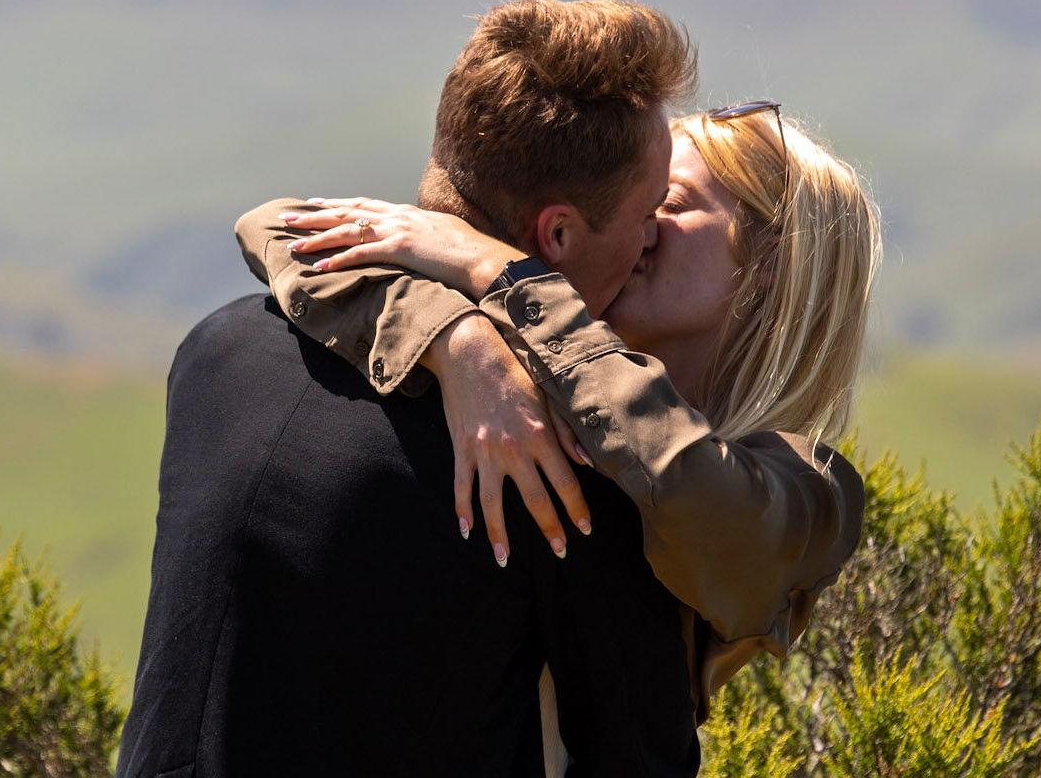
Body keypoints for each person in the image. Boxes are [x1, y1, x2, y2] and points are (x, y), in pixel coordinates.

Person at [118, 0, 714, 777]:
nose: (653, 239)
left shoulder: (218, 351)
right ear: (558, 234)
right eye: (647, 213)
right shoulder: (558, 466)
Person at [234, 98, 881, 771]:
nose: (636, 227)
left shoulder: (814, 494)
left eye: (669, 203)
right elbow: (276, 226)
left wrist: (503, 275)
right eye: (638, 202)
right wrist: (457, 340)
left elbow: (692, 491)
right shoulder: (537, 360)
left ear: (772, 260)